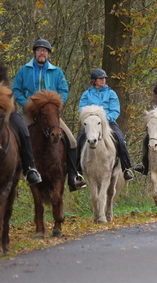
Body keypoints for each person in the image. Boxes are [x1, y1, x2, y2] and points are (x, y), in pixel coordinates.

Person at [11, 38, 85, 191]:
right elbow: (16, 90)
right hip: (31, 114)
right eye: (39, 50)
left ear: (48, 54)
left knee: (72, 141)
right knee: (16, 139)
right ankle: (14, 178)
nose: (42, 52)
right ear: (35, 53)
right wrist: (26, 104)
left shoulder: (56, 71)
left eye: (45, 50)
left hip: (50, 114)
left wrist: (56, 104)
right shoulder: (24, 70)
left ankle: (73, 176)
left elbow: (64, 91)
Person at [77, 68, 134, 181]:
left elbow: (115, 110)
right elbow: (82, 110)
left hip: (108, 122)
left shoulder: (111, 93)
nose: (103, 80)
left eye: (104, 78)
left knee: (120, 139)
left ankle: (126, 168)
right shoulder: (86, 94)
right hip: (91, 124)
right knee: (79, 140)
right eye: (100, 78)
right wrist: (91, 119)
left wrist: (105, 119)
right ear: (94, 80)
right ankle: (77, 172)